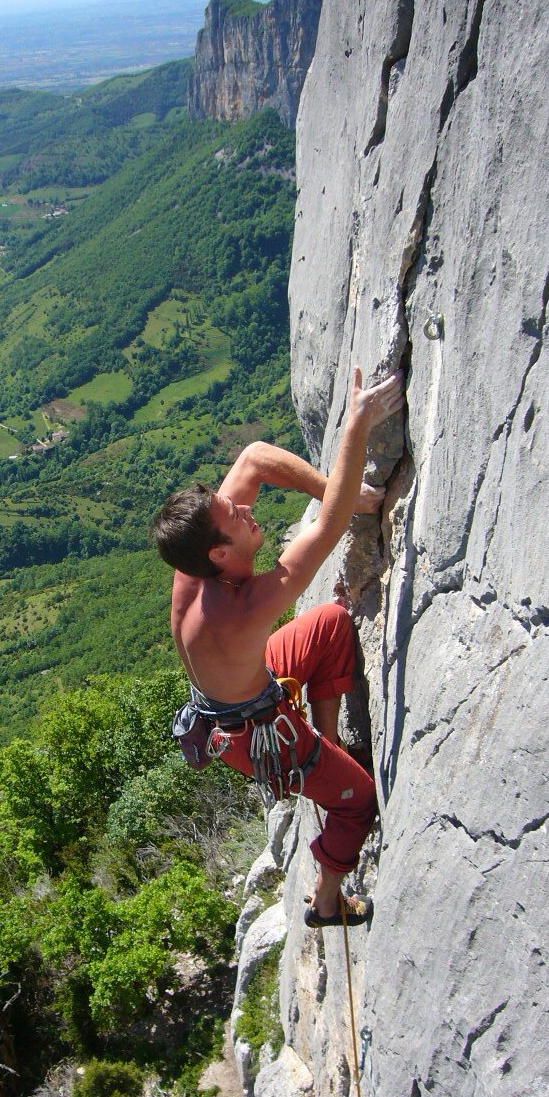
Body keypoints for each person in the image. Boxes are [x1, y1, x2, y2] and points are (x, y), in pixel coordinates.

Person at [151, 366, 405, 926]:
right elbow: (331, 523)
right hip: (257, 736)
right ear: (219, 553)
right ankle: (327, 901)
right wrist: (356, 428)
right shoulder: (240, 611)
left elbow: (255, 457)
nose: (244, 508)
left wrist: (345, 494)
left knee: (334, 624)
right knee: (360, 802)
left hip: (249, 690)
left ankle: (329, 749)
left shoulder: (199, 560)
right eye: (233, 517)